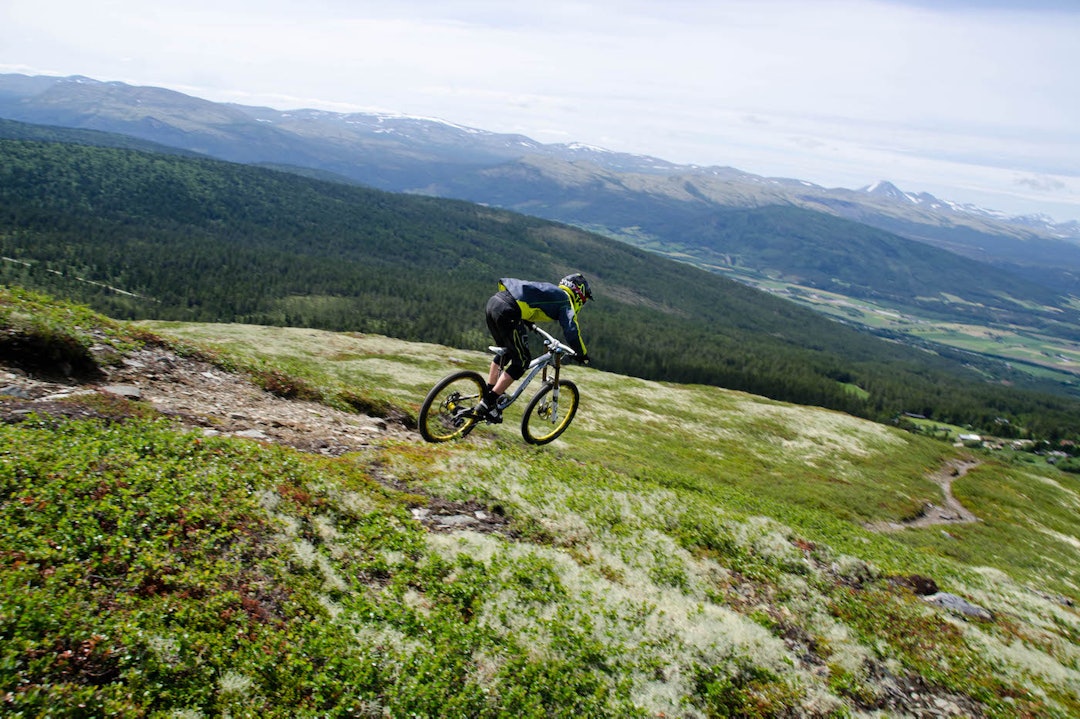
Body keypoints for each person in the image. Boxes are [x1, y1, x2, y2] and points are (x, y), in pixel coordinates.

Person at [477, 273, 593, 422]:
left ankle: (488, 393)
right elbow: (571, 330)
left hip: (495, 302)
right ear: (579, 295)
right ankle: (489, 402)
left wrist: (527, 321)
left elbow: (526, 299)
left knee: (507, 352)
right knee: (522, 362)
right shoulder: (565, 300)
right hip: (509, 311)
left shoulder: (552, 291)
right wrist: (581, 353)